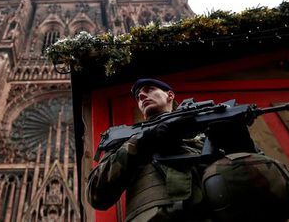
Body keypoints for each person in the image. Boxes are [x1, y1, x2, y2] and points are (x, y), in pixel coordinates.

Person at [86, 78, 209, 221]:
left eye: (149, 89)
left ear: (170, 95)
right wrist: (142, 142)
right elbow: (95, 194)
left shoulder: (200, 132)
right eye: (138, 96)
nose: (142, 96)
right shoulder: (126, 140)